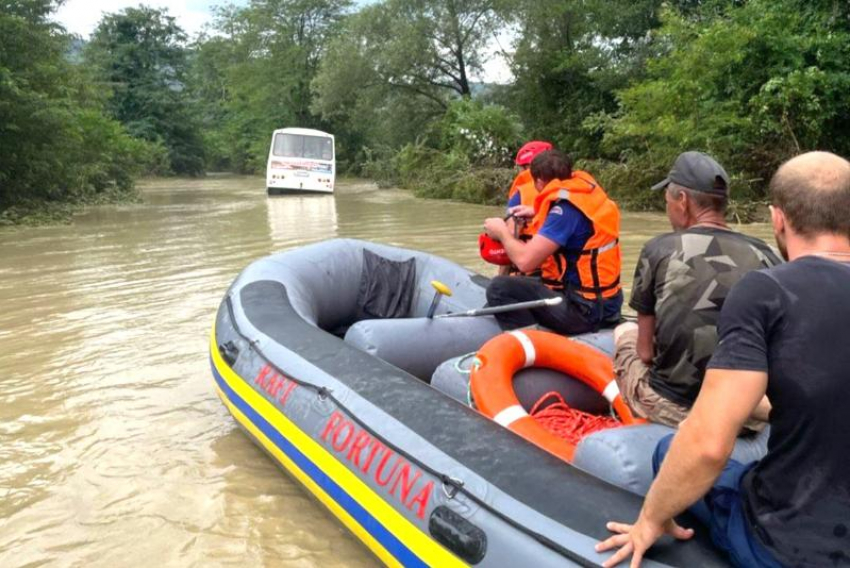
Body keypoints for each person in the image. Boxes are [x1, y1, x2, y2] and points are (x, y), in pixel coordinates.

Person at [596, 151, 850, 568]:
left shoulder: (764, 291)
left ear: (778, 219)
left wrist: (648, 522)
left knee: (670, 446)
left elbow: (709, 446)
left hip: (788, 547)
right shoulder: (761, 257)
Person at [613, 151, 781, 429]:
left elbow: (644, 353)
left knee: (623, 332)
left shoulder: (659, 249)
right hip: (747, 411)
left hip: (677, 406)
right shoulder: (767, 252)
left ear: (683, 201)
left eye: (667, 199)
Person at [483, 150, 622, 334]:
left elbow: (525, 262)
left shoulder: (564, 214)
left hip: (586, 312)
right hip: (608, 304)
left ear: (539, 181)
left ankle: (532, 346)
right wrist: (536, 211)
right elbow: (576, 223)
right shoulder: (585, 196)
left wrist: (501, 231)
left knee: (499, 288)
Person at [498, 141, 553, 276]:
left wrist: (500, 278)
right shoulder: (565, 188)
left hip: (530, 271)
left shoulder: (520, 193)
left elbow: (509, 236)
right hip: (558, 273)